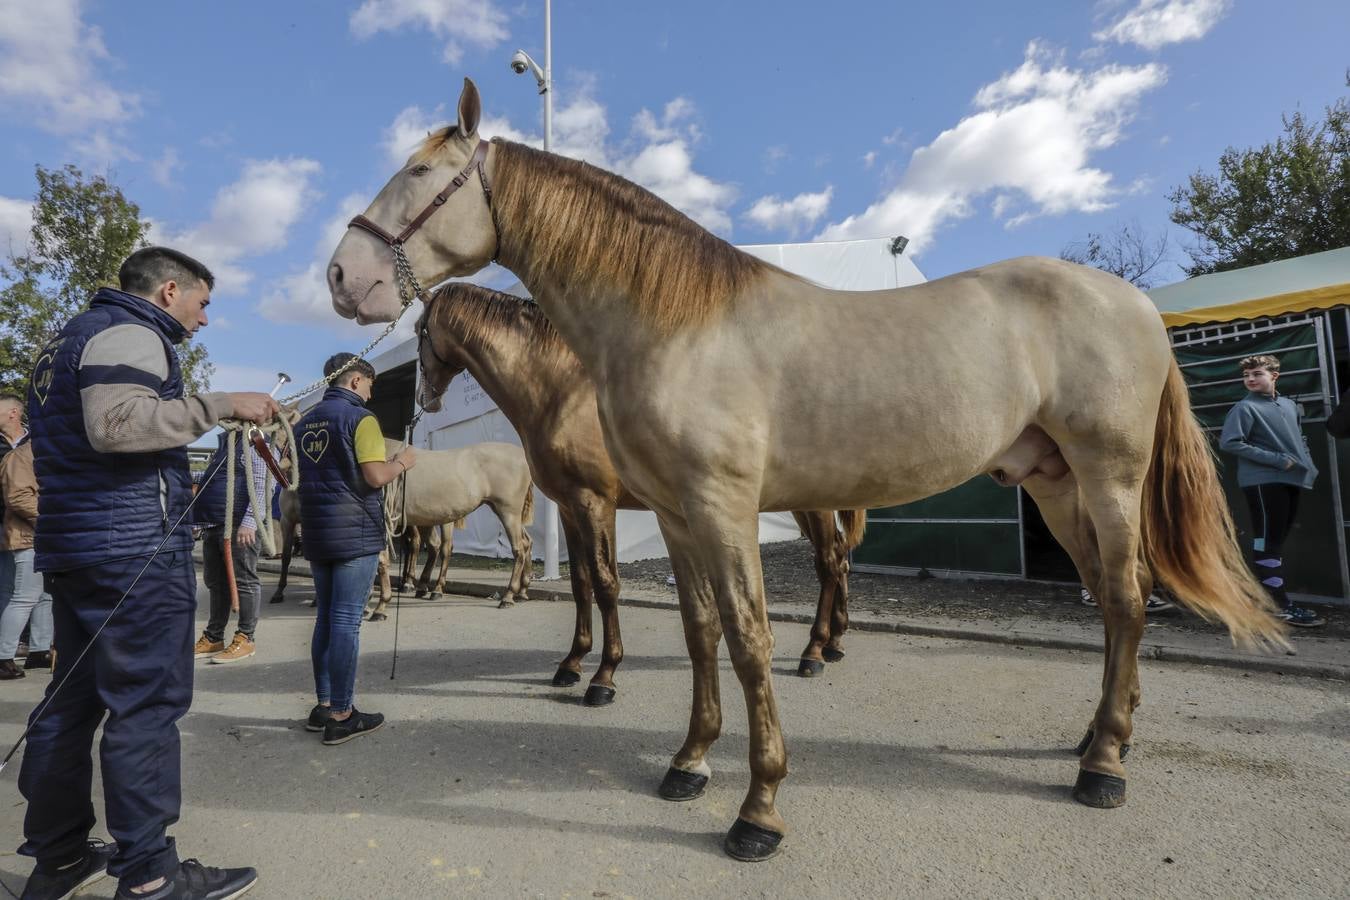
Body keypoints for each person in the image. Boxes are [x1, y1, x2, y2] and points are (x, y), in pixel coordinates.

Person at [16, 246, 277, 900]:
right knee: (147, 710)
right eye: (203, 302)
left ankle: (61, 856)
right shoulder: (132, 333)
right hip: (130, 551)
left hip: (79, 548)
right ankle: (152, 875)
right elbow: (116, 426)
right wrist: (218, 404)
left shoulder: (64, 343)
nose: (206, 318)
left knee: (69, 706)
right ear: (168, 291)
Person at [295, 353, 415, 745]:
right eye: (370, 383)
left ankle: (324, 705)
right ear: (354, 381)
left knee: (326, 620)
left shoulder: (305, 422)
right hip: (354, 535)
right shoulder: (361, 419)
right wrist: (402, 463)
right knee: (346, 621)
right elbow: (375, 476)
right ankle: (343, 714)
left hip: (317, 532)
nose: (371, 391)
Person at [1219, 354, 1324, 628]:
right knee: (1266, 541)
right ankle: (1277, 605)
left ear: (1274, 376)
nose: (1250, 379)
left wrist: (1307, 467)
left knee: (1275, 540)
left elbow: (1298, 440)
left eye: (1257, 374)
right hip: (1262, 482)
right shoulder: (1244, 408)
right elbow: (1230, 443)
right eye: (1247, 376)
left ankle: (1269, 599)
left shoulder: (1288, 405)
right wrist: (1278, 460)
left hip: (1291, 481)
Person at [192, 431, 269, 663]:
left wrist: (250, 522)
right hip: (215, 522)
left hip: (238, 524)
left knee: (244, 581)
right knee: (216, 582)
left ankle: (246, 637)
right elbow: (213, 478)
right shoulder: (226, 444)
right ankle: (214, 636)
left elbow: (262, 482)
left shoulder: (254, 443)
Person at [1, 434, 52, 679]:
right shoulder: (22, 456)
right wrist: (52, 519)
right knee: (24, 596)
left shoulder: (41, 451)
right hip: (27, 536)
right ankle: (3, 656)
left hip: (40, 536)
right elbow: (18, 498)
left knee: (44, 596)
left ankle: (39, 650)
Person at [0, 393, 27, 635]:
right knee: (8, 588)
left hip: (28, 524)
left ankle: (36, 646)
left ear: (13, 413)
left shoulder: (37, 440)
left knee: (30, 591)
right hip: (4, 521)